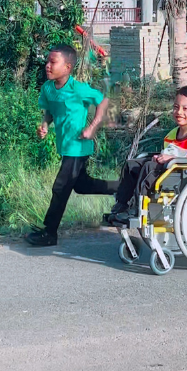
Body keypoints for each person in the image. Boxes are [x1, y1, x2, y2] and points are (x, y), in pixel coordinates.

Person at [26, 45, 113, 247]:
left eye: (52, 62)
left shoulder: (78, 89)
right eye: (47, 61)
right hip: (65, 146)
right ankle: (120, 187)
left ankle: (49, 233)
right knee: (82, 186)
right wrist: (45, 125)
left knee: (61, 187)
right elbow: (49, 109)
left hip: (78, 146)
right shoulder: (48, 88)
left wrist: (92, 127)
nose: (47, 66)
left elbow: (103, 101)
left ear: (67, 67)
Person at [107, 86, 187, 223]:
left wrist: (172, 158)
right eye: (176, 107)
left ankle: (137, 208)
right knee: (132, 164)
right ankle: (122, 203)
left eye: (185, 109)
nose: (179, 112)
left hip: (183, 176)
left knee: (149, 167)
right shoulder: (171, 135)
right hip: (168, 171)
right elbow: (166, 154)